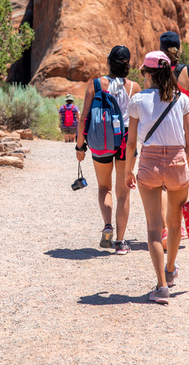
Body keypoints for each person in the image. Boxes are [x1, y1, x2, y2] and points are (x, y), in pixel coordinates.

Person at [124, 51, 189, 305]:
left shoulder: (137, 100)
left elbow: (132, 142)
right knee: (174, 221)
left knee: (153, 228)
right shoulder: (182, 100)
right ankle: (170, 271)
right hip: (178, 164)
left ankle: (161, 287)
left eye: (144, 73)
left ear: (148, 75)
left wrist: (128, 171)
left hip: (149, 164)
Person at [75, 45, 141, 255]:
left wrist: (80, 146)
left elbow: (83, 118)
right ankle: (121, 243)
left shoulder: (95, 85)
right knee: (123, 193)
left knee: (105, 188)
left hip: (101, 141)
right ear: (127, 64)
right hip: (125, 144)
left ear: (108, 61)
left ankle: (107, 226)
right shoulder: (134, 88)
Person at [158, 31, 189, 250]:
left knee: (160, 186)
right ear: (179, 47)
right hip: (184, 130)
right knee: (179, 182)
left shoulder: (156, 70)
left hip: (159, 131)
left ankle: (165, 230)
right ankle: (176, 228)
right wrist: (185, 104)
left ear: (161, 48)